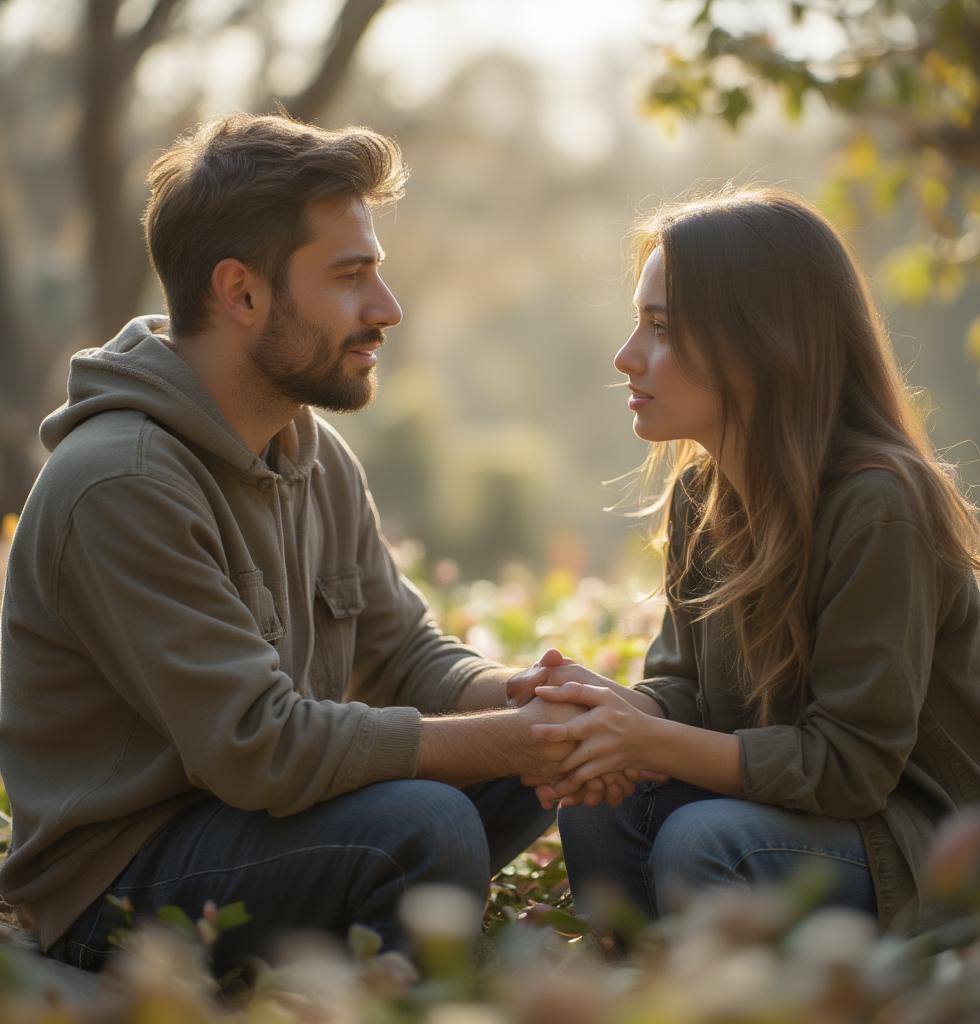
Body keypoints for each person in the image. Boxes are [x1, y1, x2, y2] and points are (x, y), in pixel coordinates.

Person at [0, 112, 635, 974]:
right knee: (430, 822)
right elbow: (261, 748)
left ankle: (373, 951)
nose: (388, 308)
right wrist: (518, 737)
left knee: (526, 756)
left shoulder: (309, 450)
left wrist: (538, 697)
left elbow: (403, 654)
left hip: (263, 827)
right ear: (242, 292)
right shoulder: (125, 482)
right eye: (351, 276)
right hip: (120, 885)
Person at [524, 187, 980, 935]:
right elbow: (685, 689)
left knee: (708, 842)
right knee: (606, 808)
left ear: (761, 341)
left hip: (935, 846)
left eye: (660, 327)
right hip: (804, 820)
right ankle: (648, 989)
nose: (626, 357)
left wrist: (650, 739)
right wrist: (612, 712)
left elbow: (849, 770)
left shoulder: (879, 508)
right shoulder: (704, 495)